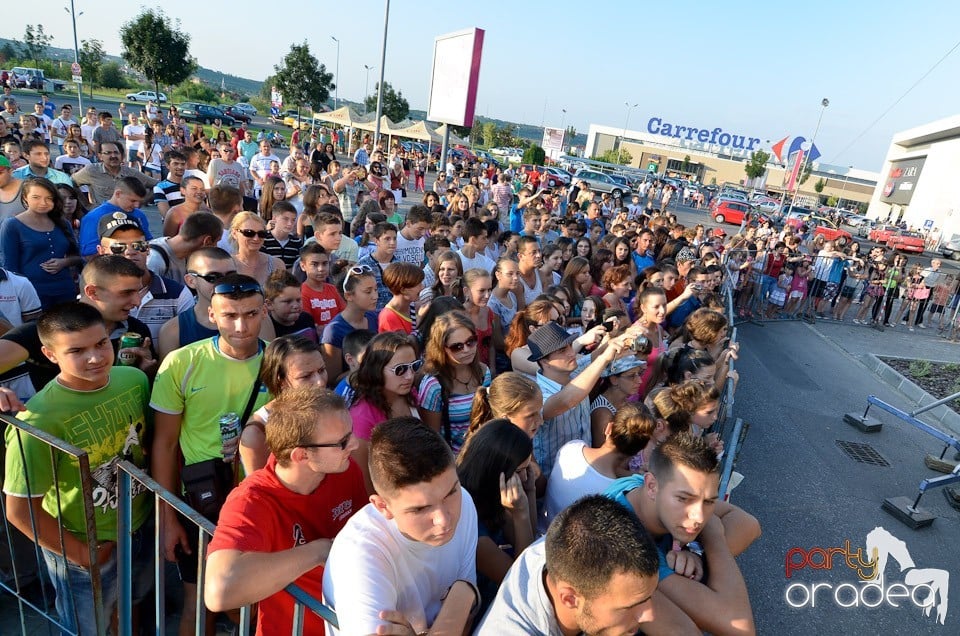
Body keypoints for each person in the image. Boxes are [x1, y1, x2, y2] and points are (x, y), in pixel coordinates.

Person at [3, 302, 154, 636]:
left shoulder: (132, 380)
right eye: (76, 350)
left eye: (101, 344)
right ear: (50, 354)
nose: (95, 358)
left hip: (139, 526)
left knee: (129, 610)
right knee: (88, 626)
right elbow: (19, 508)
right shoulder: (38, 420)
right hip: (83, 545)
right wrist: (82, 554)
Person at [151, 273, 272, 636]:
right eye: (230, 315)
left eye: (250, 314)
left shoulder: (278, 362)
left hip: (259, 500)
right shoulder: (181, 363)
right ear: (212, 315)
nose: (240, 325)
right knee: (198, 602)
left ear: (264, 312)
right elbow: (165, 444)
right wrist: (169, 518)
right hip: (202, 501)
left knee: (253, 602)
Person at [205, 386, 365, 636]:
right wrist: (320, 551)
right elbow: (219, 591)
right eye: (343, 441)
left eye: (351, 433)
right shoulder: (251, 500)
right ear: (301, 455)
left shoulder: (345, 469)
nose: (354, 444)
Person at [322, 418, 480, 636]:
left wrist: (464, 596)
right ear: (382, 506)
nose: (443, 519)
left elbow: (465, 598)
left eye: (450, 492)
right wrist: (463, 597)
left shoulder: (465, 501)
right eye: (420, 509)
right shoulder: (360, 552)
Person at [603, 433, 758, 635]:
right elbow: (739, 629)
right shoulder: (628, 543)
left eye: (709, 501)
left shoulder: (640, 488)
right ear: (651, 486)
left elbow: (749, 524)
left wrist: (697, 554)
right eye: (684, 499)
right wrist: (713, 532)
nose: (698, 517)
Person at [477, 495, 698, 635]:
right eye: (631, 606)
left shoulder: (584, 556)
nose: (649, 614)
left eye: (647, 597)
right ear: (570, 599)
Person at [528, 321, 628, 480]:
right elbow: (567, 400)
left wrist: (621, 337)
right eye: (562, 350)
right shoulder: (536, 395)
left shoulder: (572, 371)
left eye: (569, 345)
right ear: (544, 361)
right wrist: (604, 359)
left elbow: (594, 356)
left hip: (585, 471)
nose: (571, 352)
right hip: (555, 480)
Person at [544, 402, 659, 529]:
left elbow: (598, 473)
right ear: (639, 449)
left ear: (609, 428)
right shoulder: (615, 493)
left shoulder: (571, 448)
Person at [95, 211, 193, 342]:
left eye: (138, 245)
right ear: (102, 251)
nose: (130, 252)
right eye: (118, 247)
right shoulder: (94, 296)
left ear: (147, 249)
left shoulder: (179, 294)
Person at [238, 335, 329, 474]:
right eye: (306, 376)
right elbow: (259, 490)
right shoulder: (257, 433)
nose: (320, 382)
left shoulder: (331, 409)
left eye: (321, 370)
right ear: (281, 381)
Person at [347, 331, 422, 493]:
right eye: (400, 369)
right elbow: (365, 484)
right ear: (376, 370)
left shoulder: (410, 393)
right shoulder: (362, 418)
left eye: (414, 366)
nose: (410, 376)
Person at [0, 177, 82, 308]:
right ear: (25, 198)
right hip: (31, 295)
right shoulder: (12, 225)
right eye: (36, 197)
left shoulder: (63, 223)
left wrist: (64, 262)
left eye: (49, 198)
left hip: (65, 291)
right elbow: (9, 267)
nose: (43, 202)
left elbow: (78, 257)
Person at [418, 310, 492, 453]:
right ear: (442, 349)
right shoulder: (433, 385)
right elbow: (433, 438)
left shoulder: (484, 373)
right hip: (455, 462)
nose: (466, 349)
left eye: (471, 341)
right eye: (457, 346)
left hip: (485, 454)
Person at [320, 263, 378, 383]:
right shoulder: (334, 330)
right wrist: (365, 368)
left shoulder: (374, 317)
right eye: (368, 292)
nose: (375, 296)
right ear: (348, 295)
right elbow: (332, 379)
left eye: (375, 290)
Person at [77, 176, 154, 258]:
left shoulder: (139, 215)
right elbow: (88, 254)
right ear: (118, 194)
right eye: (133, 201)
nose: (137, 205)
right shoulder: (93, 217)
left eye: (140, 202)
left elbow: (147, 242)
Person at [72, 140, 158, 205]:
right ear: (100, 156)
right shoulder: (91, 170)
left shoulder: (132, 173)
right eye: (108, 153)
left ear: (122, 156)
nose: (113, 156)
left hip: (126, 217)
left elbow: (157, 185)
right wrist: (86, 205)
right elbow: (71, 183)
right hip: (101, 217)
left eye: (116, 153)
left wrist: (141, 201)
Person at [146, 212, 224, 284]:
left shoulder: (185, 255)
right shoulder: (155, 261)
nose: (216, 247)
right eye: (216, 242)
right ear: (207, 241)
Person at [229, 212, 284, 286]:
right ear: (234, 233)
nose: (256, 238)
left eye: (261, 233)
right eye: (249, 233)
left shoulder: (276, 264)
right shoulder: (227, 266)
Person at [264, 270, 317, 342]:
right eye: (288, 301)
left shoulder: (307, 319)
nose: (295, 306)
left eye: (298, 300)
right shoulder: (268, 329)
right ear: (269, 304)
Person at [357, 221, 399, 311]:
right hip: (371, 315)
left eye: (394, 238)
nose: (392, 242)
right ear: (376, 241)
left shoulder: (399, 265)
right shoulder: (364, 264)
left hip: (394, 314)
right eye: (387, 239)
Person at [379, 262, 425, 335]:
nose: (422, 287)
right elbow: (405, 344)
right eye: (418, 284)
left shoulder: (414, 307)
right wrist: (420, 319)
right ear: (404, 290)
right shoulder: (389, 317)